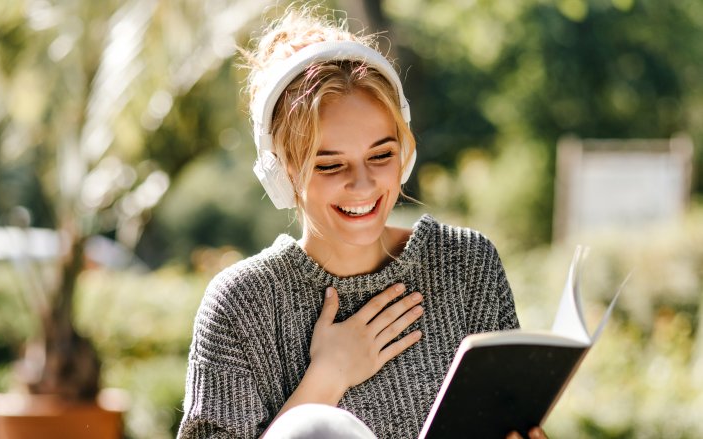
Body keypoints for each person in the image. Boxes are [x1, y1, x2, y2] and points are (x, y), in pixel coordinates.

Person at [178, 5, 546, 439]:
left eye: (381, 155)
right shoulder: (240, 307)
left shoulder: (466, 265)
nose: (363, 184)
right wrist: (328, 376)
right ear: (284, 172)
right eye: (331, 165)